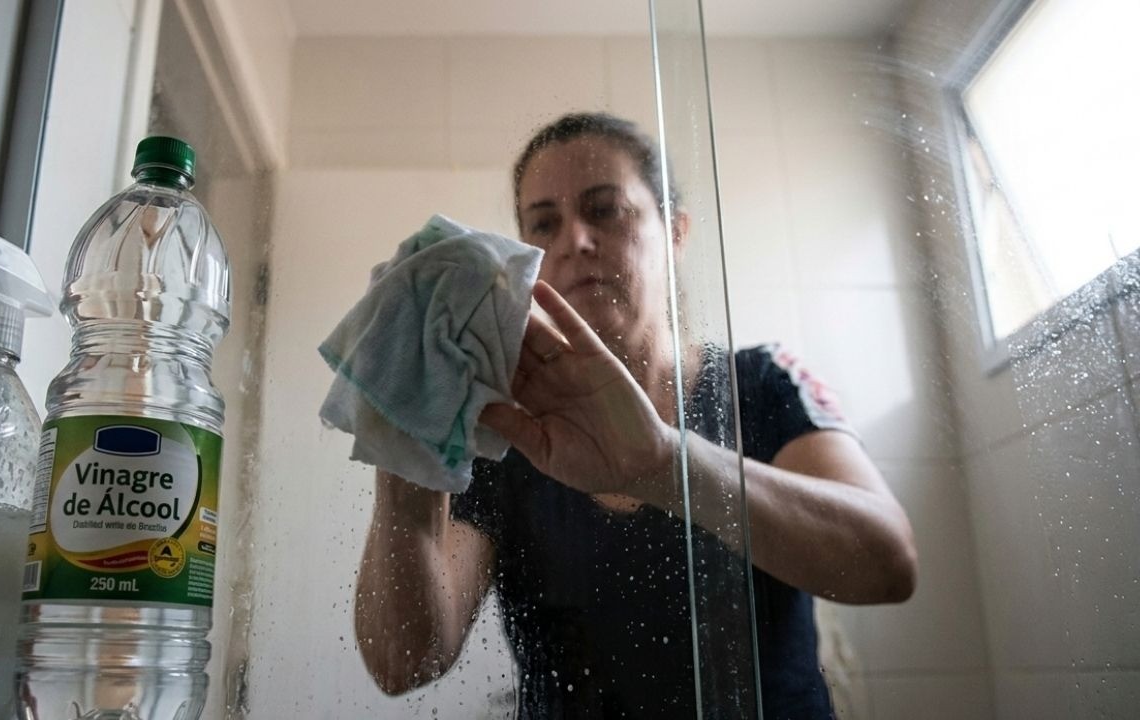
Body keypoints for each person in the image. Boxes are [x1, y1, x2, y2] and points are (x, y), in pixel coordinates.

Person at [354, 112, 917, 718]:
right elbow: (403, 661)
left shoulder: (758, 384)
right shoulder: (507, 430)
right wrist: (408, 431)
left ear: (674, 230)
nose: (573, 240)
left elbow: (887, 563)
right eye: (543, 224)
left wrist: (664, 466)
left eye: (604, 210)